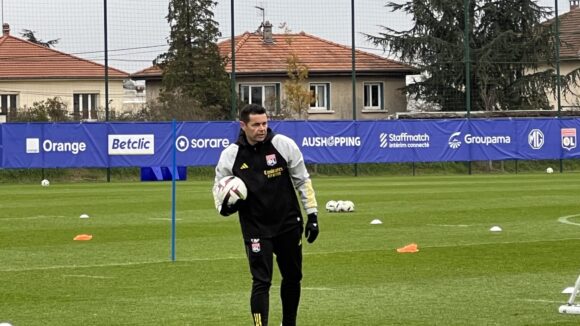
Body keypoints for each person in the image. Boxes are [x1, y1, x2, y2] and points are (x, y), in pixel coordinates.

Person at [213, 103, 319, 326]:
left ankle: (289, 323)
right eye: (256, 125)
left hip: (288, 223)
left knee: (293, 277)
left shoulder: (283, 145)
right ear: (243, 126)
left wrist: (313, 214)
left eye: (265, 123)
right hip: (256, 228)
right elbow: (219, 191)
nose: (262, 128)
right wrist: (226, 207)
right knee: (261, 281)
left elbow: (302, 179)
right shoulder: (230, 156)